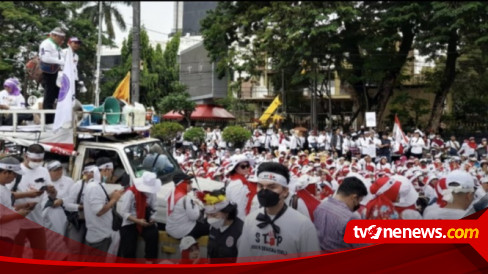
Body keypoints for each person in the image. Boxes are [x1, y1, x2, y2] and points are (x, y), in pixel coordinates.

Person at [237, 162, 320, 262]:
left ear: (285, 191)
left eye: (272, 187)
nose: (264, 191)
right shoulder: (250, 220)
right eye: (260, 186)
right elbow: (243, 258)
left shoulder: (303, 225)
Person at [9, 144, 52, 259]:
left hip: (37, 220)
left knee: (40, 254)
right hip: (17, 220)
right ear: (26, 156)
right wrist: (28, 195)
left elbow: (51, 192)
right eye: (34, 160)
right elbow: (6, 195)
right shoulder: (15, 171)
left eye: (40, 160)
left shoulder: (43, 171)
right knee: (15, 255)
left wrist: (52, 191)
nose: (37, 162)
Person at [314, 176, 368, 251]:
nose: (358, 205)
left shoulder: (320, 207)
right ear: (354, 197)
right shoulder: (351, 218)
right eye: (359, 201)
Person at [83, 159, 124, 252]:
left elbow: (101, 201)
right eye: (111, 171)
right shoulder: (94, 187)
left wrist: (111, 196)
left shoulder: (99, 185)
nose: (111, 174)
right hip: (99, 236)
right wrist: (114, 200)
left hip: (103, 233)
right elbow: (99, 211)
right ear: (105, 170)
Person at [118, 171, 159, 261]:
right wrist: (137, 221)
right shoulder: (130, 192)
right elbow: (123, 212)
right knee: (129, 246)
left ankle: (149, 262)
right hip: (131, 221)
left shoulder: (152, 192)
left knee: (153, 235)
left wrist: (152, 218)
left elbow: (154, 208)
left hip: (145, 219)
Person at [0, 157, 34, 257]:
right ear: (6, 173)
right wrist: (18, 215)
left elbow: (5, 208)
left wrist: (21, 206)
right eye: (14, 174)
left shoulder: (4, 188)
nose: (14, 178)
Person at [64, 162, 98, 255]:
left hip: (93, 223)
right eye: (92, 172)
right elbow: (67, 204)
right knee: (75, 248)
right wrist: (81, 207)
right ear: (85, 173)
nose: (94, 175)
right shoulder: (78, 185)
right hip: (79, 222)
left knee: (89, 250)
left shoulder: (99, 186)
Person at [203, 189, 243, 264]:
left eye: (214, 215)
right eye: (207, 215)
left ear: (226, 213)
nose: (209, 219)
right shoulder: (213, 226)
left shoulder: (240, 232)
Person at [166, 172, 208, 240]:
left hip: (171, 229)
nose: (191, 185)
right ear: (182, 184)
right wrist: (197, 205)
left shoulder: (171, 194)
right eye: (189, 183)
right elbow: (195, 216)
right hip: (182, 232)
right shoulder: (186, 198)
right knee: (210, 225)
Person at [39, 27, 65, 123]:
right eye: (60, 37)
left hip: (57, 73)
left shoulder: (57, 46)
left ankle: (56, 118)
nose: (62, 40)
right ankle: (48, 120)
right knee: (49, 96)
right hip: (49, 73)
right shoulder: (46, 44)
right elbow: (45, 58)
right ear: (54, 35)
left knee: (58, 95)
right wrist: (61, 61)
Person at [224, 155, 256, 221]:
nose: (247, 168)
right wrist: (242, 225)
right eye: (243, 167)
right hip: (241, 221)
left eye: (247, 165)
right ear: (235, 168)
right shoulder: (238, 184)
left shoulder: (241, 181)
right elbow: (238, 208)